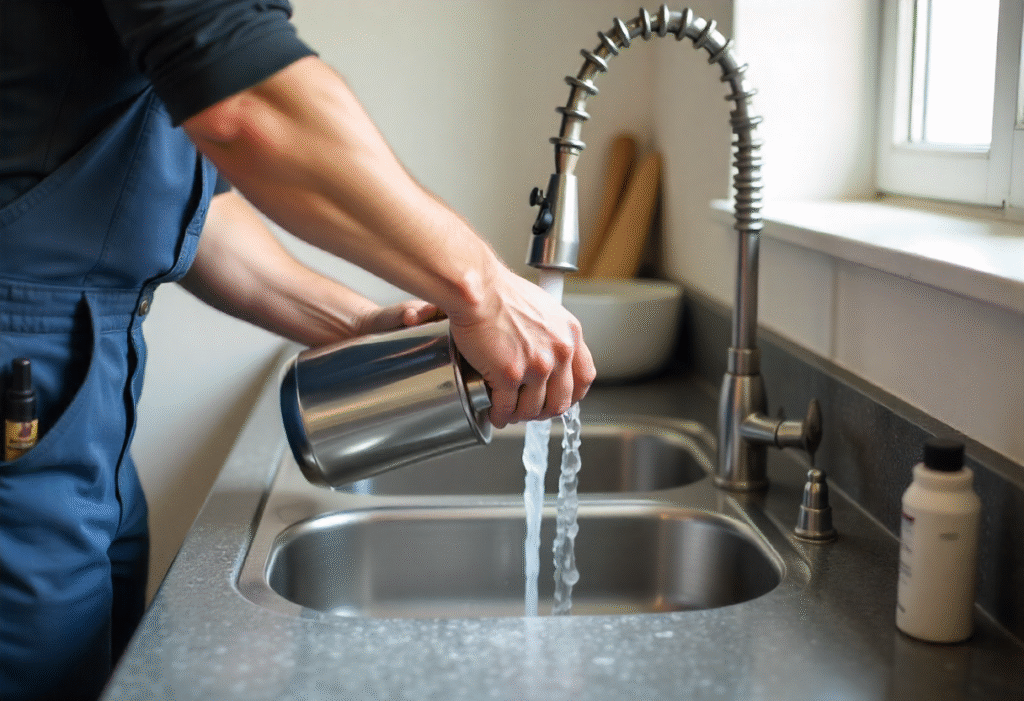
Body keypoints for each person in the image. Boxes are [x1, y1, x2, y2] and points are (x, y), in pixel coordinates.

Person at [0, 2, 595, 699]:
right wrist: (484, 289)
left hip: (74, 399)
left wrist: (361, 325)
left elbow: (192, 211)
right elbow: (246, 107)